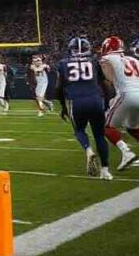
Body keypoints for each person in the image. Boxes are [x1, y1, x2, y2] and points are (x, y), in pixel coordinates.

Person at [56, 37, 112, 180]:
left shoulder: (63, 63)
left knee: (79, 130)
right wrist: (106, 103)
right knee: (100, 135)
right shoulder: (93, 61)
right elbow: (104, 84)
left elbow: (58, 88)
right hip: (95, 99)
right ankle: (105, 170)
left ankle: (88, 149)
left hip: (76, 102)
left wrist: (63, 107)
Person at [98, 36, 139, 171]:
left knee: (106, 126)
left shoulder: (107, 59)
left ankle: (126, 152)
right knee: (131, 126)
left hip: (126, 95)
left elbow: (110, 80)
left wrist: (112, 98)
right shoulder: (133, 59)